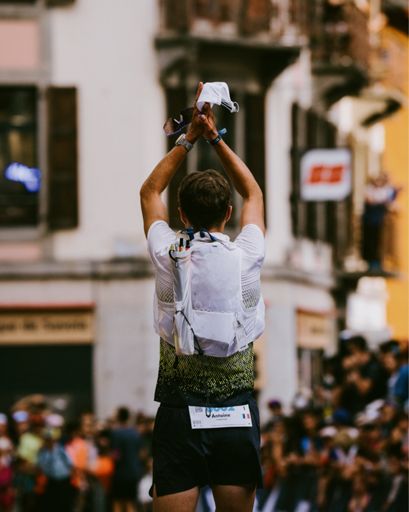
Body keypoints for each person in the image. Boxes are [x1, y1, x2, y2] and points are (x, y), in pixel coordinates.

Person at [140, 82, 265, 511]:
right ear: (228, 214)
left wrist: (188, 138)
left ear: (180, 214)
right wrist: (214, 137)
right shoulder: (247, 255)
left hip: (179, 413)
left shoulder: (166, 252)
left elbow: (149, 191)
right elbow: (253, 192)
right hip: (236, 413)